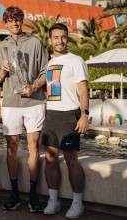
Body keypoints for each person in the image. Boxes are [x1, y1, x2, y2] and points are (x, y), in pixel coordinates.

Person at [0, 6, 48, 213]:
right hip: (10, 103)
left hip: (34, 102)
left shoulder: (35, 43)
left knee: (34, 147)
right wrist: (2, 70)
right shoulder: (0, 48)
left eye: (17, 19)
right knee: (12, 148)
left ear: (22, 21)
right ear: (5, 23)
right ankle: (14, 192)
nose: (14, 23)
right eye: (10, 20)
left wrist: (34, 86)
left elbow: (45, 72)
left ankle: (33, 194)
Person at [40, 23, 89, 219]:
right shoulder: (49, 63)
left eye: (63, 37)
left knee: (71, 160)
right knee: (50, 160)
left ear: (67, 39)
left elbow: (83, 90)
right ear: (50, 40)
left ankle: (78, 203)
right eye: (56, 37)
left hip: (71, 115)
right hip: (51, 115)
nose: (60, 41)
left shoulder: (76, 61)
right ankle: (54, 201)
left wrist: (84, 113)